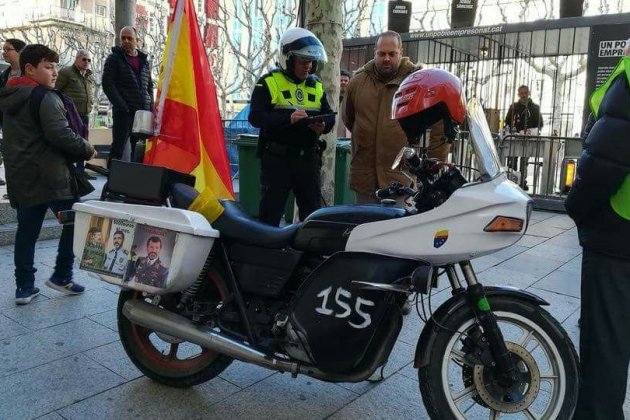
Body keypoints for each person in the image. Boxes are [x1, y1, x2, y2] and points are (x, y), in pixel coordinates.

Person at [0, 44, 96, 304]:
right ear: (30, 68)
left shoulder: (9, 96)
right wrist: (86, 148)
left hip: (22, 177)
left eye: (55, 67)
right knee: (75, 223)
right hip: (51, 178)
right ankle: (62, 275)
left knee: (27, 232)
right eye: (48, 67)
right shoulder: (45, 97)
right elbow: (61, 134)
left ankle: (24, 287)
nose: (54, 73)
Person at [565, 53, 630, 420]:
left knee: (605, 347)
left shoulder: (629, 78)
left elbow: (605, 159)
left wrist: (578, 207)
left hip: (619, 234)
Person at [248, 27, 335, 226]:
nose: (308, 66)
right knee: (270, 213)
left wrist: (324, 126)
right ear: (288, 59)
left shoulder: (316, 84)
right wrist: (288, 119)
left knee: (312, 214)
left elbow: (329, 116)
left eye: (311, 62)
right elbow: (256, 117)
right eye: (303, 61)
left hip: (308, 160)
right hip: (278, 160)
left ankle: (309, 255)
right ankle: (267, 253)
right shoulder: (268, 82)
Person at [342, 31, 424, 204]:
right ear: (375, 53)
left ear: (401, 52)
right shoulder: (357, 83)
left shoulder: (416, 81)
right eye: (382, 54)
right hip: (365, 179)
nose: (386, 58)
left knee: (398, 229)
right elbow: (349, 120)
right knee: (366, 228)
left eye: (392, 54)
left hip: (400, 180)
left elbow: (434, 124)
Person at [102, 26, 153, 166]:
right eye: (122, 38)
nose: (125, 41)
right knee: (117, 150)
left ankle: (134, 183)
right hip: (123, 114)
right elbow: (108, 85)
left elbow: (149, 85)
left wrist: (150, 106)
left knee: (138, 151)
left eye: (129, 38)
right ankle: (111, 183)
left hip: (142, 115)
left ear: (137, 40)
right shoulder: (114, 59)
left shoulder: (144, 61)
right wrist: (123, 106)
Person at [55, 49, 96, 179]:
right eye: (84, 59)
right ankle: (70, 170)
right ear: (77, 59)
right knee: (73, 142)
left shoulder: (89, 75)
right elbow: (56, 91)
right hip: (71, 115)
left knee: (84, 141)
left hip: (85, 114)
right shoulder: (66, 73)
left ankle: (80, 171)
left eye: (89, 60)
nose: (86, 62)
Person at [504, 85, 543, 190]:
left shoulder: (535, 108)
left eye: (525, 93)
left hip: (528, 140)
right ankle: (511, 181)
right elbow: (507, 121)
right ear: (518, 94)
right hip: (515, 138)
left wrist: (531, 131)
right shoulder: (513, 107)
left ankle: (522, 182)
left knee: (524, 162)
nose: (523, 95)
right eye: (521, 93)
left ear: (529, 93)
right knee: (512, 160)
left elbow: (540, 124)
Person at [0, 38, 26, 188]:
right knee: (10, 159)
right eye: (3, 50)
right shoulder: (4, 76)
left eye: (7, 49)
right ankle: (14, 189)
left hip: (25, 124)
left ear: (20, 52)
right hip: (8, 124)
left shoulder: (30, 73)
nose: (4, 53)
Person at [337, 69, 351, 138]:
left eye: (346, 81)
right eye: (341, 80)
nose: (343, 82)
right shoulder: (333, 97)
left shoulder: (351, 98)